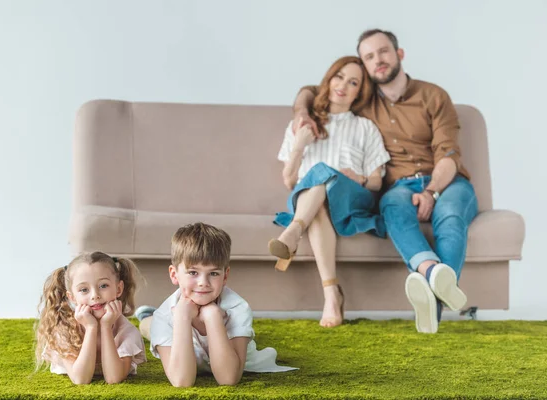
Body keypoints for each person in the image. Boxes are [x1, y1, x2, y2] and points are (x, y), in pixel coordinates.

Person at [292, 29, 479, 334]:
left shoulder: (433, 95)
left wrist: (432, 191)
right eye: (369, 57)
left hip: (446, 181)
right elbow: (310, 91)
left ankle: (431, 294)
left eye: (383, 52)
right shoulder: (362, 103)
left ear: (399, 54)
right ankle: (434, 276)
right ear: (364, 67)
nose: (377, 60)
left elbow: (448, 154)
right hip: (399, 187)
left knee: (450, 214)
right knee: (392, 206)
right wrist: (302, 114)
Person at [269, 55, 390, 328]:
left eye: (353, 82)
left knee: (324, 172)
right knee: (318, 188)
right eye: (339, 77)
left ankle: (293, 232)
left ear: (360, 91)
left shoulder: (364, 127)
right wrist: (300, 143)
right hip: (310, 203)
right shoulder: (302, 124)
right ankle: (332, 295)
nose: (343, 85)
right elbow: (290, 180)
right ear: (329, 78)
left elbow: (376, 183)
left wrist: (356, 177)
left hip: (351, 200)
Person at [135, 222, 296, 387]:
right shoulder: (165, 316)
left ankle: (148, 316)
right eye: (193, 272)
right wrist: (182, 317)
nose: (203, 283)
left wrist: (213, 317)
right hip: (165, 320)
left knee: (157, 325)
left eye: (213, 273)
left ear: (225, 276)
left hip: (222, 343)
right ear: (174, 275)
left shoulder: (237, 308)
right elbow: (181, 381)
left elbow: (228, 378)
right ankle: (146, 317)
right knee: (149, 326)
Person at [34, 252, 146, 384]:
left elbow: (114, 378)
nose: (95, 295)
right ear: (72, 297)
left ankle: (147, 316)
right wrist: (91, 327)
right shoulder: (64, 329)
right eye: (84, 290)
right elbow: (80, 379)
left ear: (118, 289)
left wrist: (105, 327)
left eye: (103, 286)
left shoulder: (127, 331)